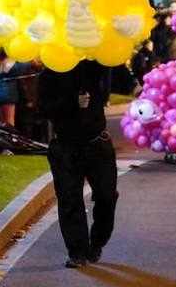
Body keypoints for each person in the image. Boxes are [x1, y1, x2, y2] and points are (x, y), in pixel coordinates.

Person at [38, 60, 118, 268]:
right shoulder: (49, 75)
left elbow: (106, 62)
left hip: (96, 144)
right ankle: (77, 251)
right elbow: (44, 108)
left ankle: (98, 240)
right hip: (66, 146)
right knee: (69, 198)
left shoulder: (89, 66)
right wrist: (72, 103)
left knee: (107, 196)